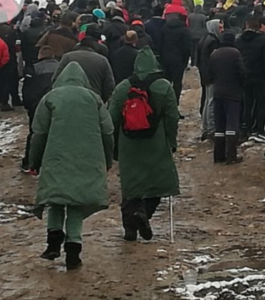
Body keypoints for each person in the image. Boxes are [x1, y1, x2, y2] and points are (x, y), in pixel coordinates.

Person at [29, 63, 114, 270]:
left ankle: (53, 241)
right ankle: (73, 250)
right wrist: (107, 158)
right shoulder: (93, 99)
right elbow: (108, 130)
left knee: (56, 198)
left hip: (56, 156)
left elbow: (38, 133)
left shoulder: (51, 98)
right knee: (76, 201)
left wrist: (34, 161)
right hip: (87, 157)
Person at [108, 48, 180, 240]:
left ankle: (130, 231)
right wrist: (171, 140)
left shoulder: (123, 87)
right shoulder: (164, 86)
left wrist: (114, 147)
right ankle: (144, 214)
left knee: (130, 186)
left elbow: (112, 119)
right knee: (157, 183)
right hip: (156, 142)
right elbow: (172, 117)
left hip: (128, 144)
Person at [208, 32, 247, 165]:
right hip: (233, 93)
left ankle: (218, 155)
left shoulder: (214, 54)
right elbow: (241, 72)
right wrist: (243, 84)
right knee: (232, 124)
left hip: (218, 92)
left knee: (219, 125)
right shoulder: (235, 53)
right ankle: (231, 156)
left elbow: (209, 73)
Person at [21, 46, 59, 173]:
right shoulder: (60, 68)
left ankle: (29, 162)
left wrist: (28, 105)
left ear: (40, 55)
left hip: (37, 105)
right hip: (56, 104)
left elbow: (27, 90)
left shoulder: (33, 69)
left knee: (34, 132)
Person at [53, 25, 115, 102]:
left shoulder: (68, 57)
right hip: (93, 100)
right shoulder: (102, 60)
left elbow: (55, 79)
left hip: (68, 98)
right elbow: (109, 86)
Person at [236, 17, 265, 139]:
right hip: (259, 77)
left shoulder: (239, 40)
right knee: (262, 103)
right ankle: (259, 129)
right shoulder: (263, 41)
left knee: (248, 103)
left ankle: (248, 126)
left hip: (244, 76)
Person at [196, 19, 223, 140]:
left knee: (207, 100)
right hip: (211, 75)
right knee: (211, 101)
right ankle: (211, 129)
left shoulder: (203, 39)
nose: (222, 30)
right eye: (220, 28)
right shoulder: (213, 41)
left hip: (204, 74)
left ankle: (206, 127)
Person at [159, 8, 191, 103]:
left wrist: (161, 58)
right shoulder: (184, 30)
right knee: (177, 84)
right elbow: (187, 48)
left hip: (166, 58)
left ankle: (164, 105)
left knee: (165, 83)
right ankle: (174, 105)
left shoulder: (165, 28)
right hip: (178, 60)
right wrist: (185, 62)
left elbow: (160, 44)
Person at [187, 3, 207, 67]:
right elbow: (204, 26)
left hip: (191, 34)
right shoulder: (203, 17)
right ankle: (197, 62)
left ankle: (192, 62)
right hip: (200, 35)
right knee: (198, 50)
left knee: (192, 49)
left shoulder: (190, 16)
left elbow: (188, 25)